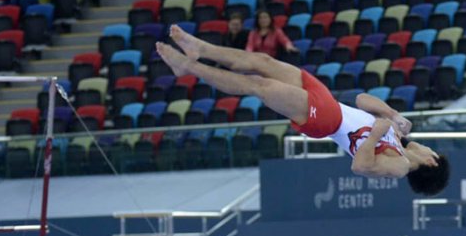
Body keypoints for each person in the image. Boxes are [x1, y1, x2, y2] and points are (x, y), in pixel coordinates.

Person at [155, 25, 450, 195]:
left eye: (430, 149)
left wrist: (376, 134)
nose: (426, 145)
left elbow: (359, 166)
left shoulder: (400, 166)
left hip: (326, 120)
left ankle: (188, 67)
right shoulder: (400, 141)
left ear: (431, 162)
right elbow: (362, 99)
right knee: (263, 62)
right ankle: (199, 49)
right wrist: (393, 116)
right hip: (330, 101)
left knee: (258, 85)